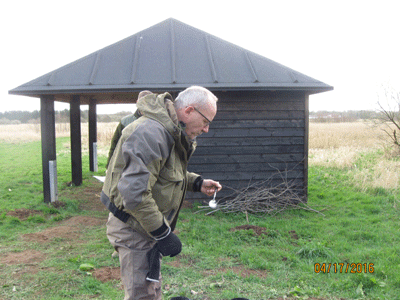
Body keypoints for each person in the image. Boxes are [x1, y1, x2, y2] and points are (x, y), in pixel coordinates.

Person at [101, 86, 222, 300]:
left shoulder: (169, 130)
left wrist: (197, 183)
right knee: (143, 295)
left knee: (151, 291)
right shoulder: (150, 132)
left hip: (146, 228)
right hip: (134, 229)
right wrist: (163, 234)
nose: (206, 130)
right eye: (206, 122)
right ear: (189, 111)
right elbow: (134, 194)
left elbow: (163, 172)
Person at [106, 90, 152, 169]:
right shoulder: (125, 122)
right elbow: (115, 145)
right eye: (142, 102)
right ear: (137, 102)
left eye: (148, 102)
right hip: (127, 165)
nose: (145, 105)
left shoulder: (157, 122)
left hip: (150, 166)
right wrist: (109, 166)